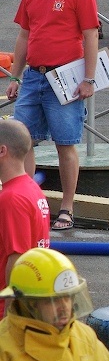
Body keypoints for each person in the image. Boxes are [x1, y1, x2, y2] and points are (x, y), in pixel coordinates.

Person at [5, 0, 100, 231]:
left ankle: (67, 208)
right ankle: (29, 203)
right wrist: (15, 76)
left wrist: (89, 79)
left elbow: (91, 34)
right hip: (34, 76)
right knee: (22, 142)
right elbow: (25, 35)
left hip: (65, 78)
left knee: (65, 144)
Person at [0, 118, 50, 317]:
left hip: (9, 310)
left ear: (2, 151)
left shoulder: (11, 198)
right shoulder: (32, 189)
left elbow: (17, 257)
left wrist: (10, 315)